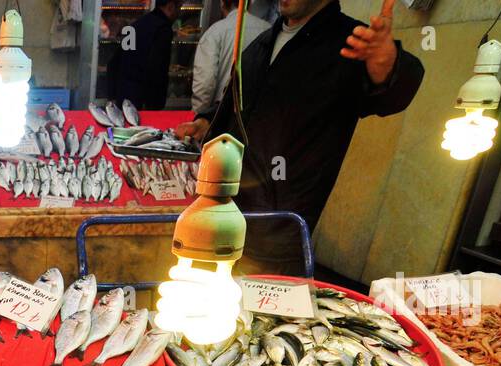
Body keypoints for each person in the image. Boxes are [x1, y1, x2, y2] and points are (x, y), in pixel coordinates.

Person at [175, 0, 424, 272]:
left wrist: (389, 66)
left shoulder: (349, 44)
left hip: (281, 231)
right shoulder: (263, 41)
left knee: (263, 309)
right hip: (229, 211)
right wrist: (207, 120)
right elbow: (239, 102)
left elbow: (396, 92)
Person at [191, 0, 270, 116]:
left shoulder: (215, 32)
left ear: (222, 3)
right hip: (256, 117)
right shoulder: (268, 29)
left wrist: (199, 116)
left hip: (219, 116)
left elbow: (205, 83)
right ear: (249, 3)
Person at [106, 0, 181, 110]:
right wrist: (155, 106)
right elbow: (157, 69)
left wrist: (112, 96)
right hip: (143, 102)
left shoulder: (137, 25)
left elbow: (114, 62)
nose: (179, 12)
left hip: (124, 96)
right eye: (179, 7)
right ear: (170, 6)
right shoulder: (163, 30)